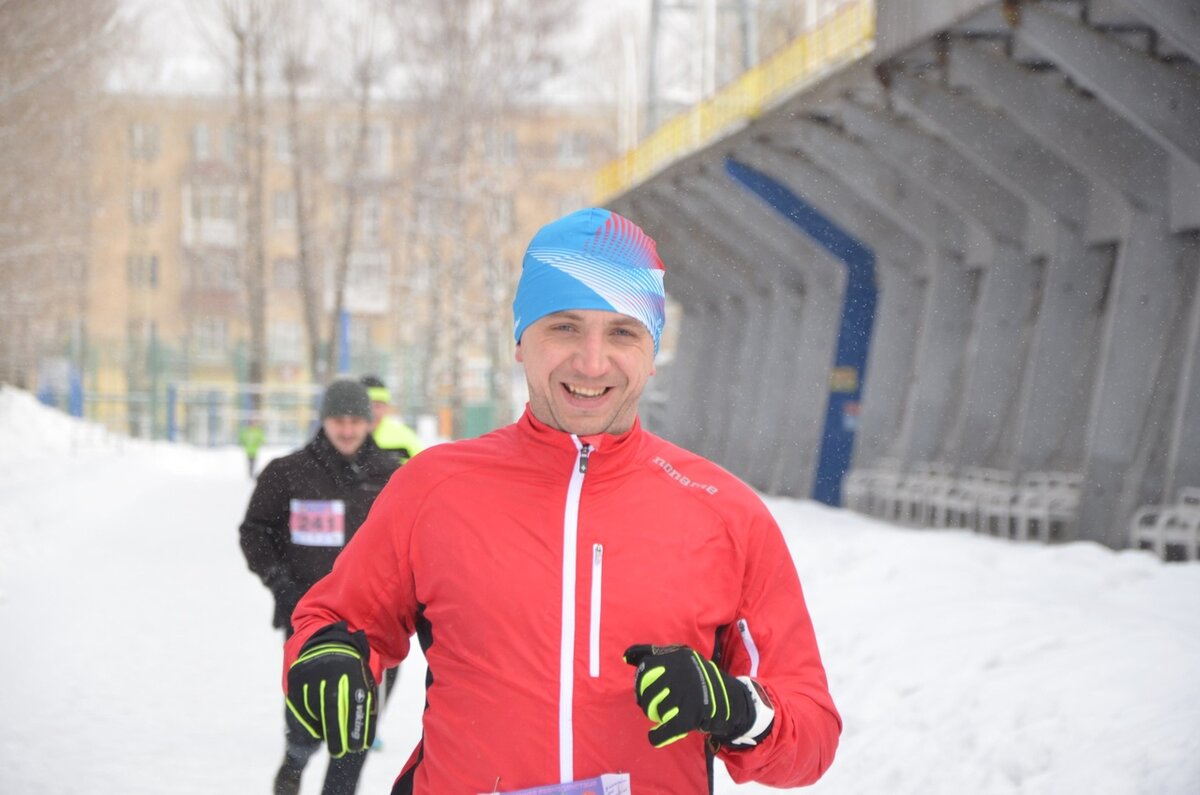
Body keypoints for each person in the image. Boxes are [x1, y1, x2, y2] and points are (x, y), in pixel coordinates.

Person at [282, 208, 842, 794]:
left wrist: (735, 707)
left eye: (622, 332)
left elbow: (811, 733)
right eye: (564, 327)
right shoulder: (434, 488)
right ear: (522, 340)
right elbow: (338, 618)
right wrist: (328, 656)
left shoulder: (723, 511)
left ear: (652, 354)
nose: (592, 362)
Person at [240, 378, 398, 795]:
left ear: (368, 422)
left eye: (355, 420)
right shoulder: (287, 473)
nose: (347, 430)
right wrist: (281, 584)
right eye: (338, 420)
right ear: (324, 420)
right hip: (308, 618)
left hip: (373, 624)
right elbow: (255, 532)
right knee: (308, 716)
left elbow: (415, 542)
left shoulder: (393, 476)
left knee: (356, 725)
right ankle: (295, 758)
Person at [359, 375, 424, 464]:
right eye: (367, 406)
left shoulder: (405, 438)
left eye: (378, 405)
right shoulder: (343, 437)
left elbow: (425, 470)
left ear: (386, 407)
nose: (372, 412)